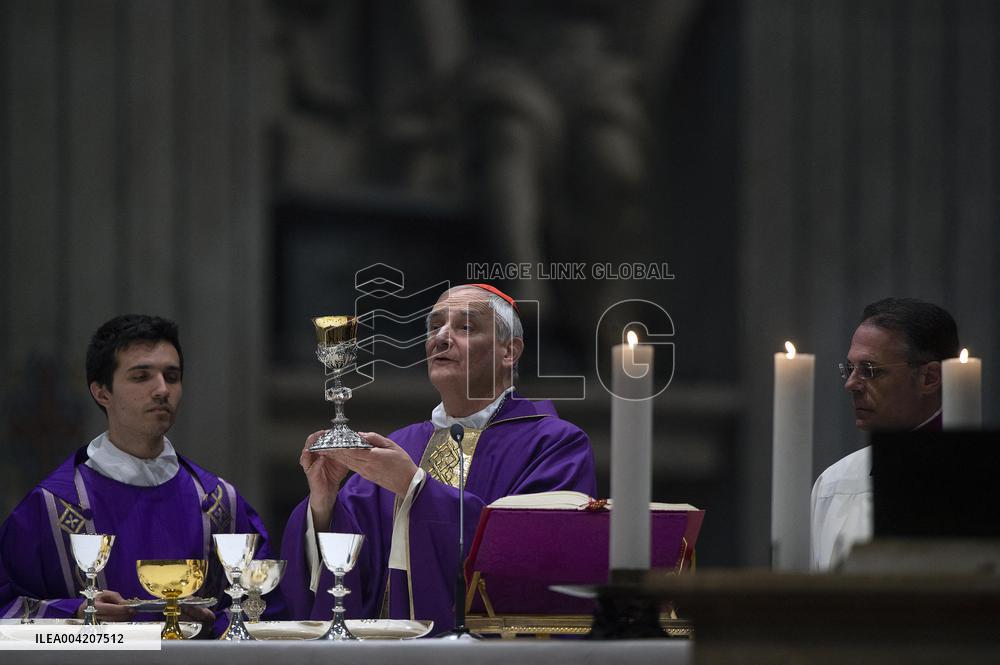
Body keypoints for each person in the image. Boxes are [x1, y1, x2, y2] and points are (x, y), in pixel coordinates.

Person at [280, 284, 596, 631]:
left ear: (510, 351)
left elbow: (534, 555)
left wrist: (414, 487)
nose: (441, 338)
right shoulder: (402, 445)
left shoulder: (553, 445)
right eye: (434, 327)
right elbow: (349, 564)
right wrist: (323, 505)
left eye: (465, 327)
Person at [0, 314, 282, 635]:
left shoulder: (219, 504)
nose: (162, 389)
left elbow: (265, 609)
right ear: (101, 392)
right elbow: (5, 605)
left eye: (172, 376)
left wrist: (214, 625)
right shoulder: (54, 508)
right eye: (141, 376)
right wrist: (77, 612)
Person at [810, 298, 959, 571]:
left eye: (869, 370)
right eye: (850, 369)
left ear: (929, 378)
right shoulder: (835, 483)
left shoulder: (977, 476)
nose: (852, 384)